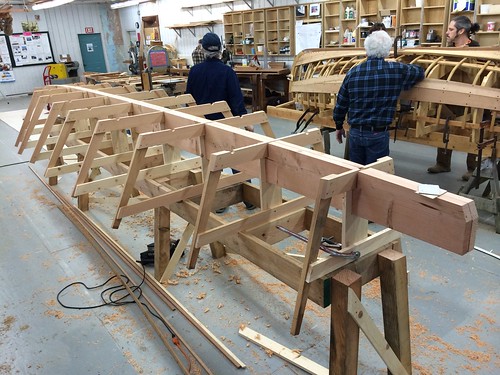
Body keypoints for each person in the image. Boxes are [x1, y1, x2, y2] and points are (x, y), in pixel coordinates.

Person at [186, 32, 255, 211]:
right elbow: (237, 101)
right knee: (237, 161)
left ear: (202, 49)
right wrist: (246, 122)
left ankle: (217, 202)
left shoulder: (194, 72)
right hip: (226, 125)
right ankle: (249, 199)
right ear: (220, 50)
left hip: (203, 126)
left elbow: (189, 100)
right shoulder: (227, 72)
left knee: (210, 164)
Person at [333, 30, 425, 165]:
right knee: (375, 175)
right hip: (378, 134)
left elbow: (341, 103)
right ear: (387, 51)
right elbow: (420, 72)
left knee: (356, 173)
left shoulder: (353, 72)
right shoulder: (396, 70)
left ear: (366, 50)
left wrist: (338, 125)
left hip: (355, 132)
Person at [427, 15, 480, 180]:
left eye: (450, 29)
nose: (446, 32)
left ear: (461, 31)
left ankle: (472, 168)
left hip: (470, 96)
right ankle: (443, 163)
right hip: (448, 95)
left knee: (473, 131)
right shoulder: (447, 50)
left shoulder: (477, 49)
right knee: (445, 125)